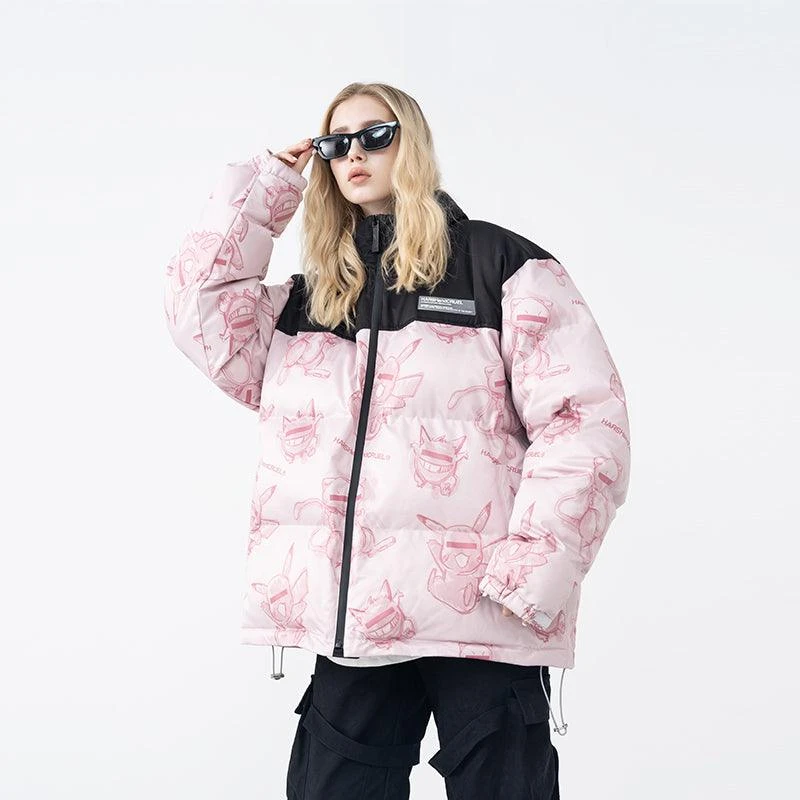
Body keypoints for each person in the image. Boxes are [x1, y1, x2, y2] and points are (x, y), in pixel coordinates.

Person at [164, 81, 630, 799]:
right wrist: (264, 188)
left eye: (374, 135)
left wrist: (533, 572)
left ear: (411, 142)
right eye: (335, 142)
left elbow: (586, 423)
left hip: (484, 611)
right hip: (358, 623)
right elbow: (201, 312)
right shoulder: (314, 297)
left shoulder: (503, 266)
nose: (352, 154)